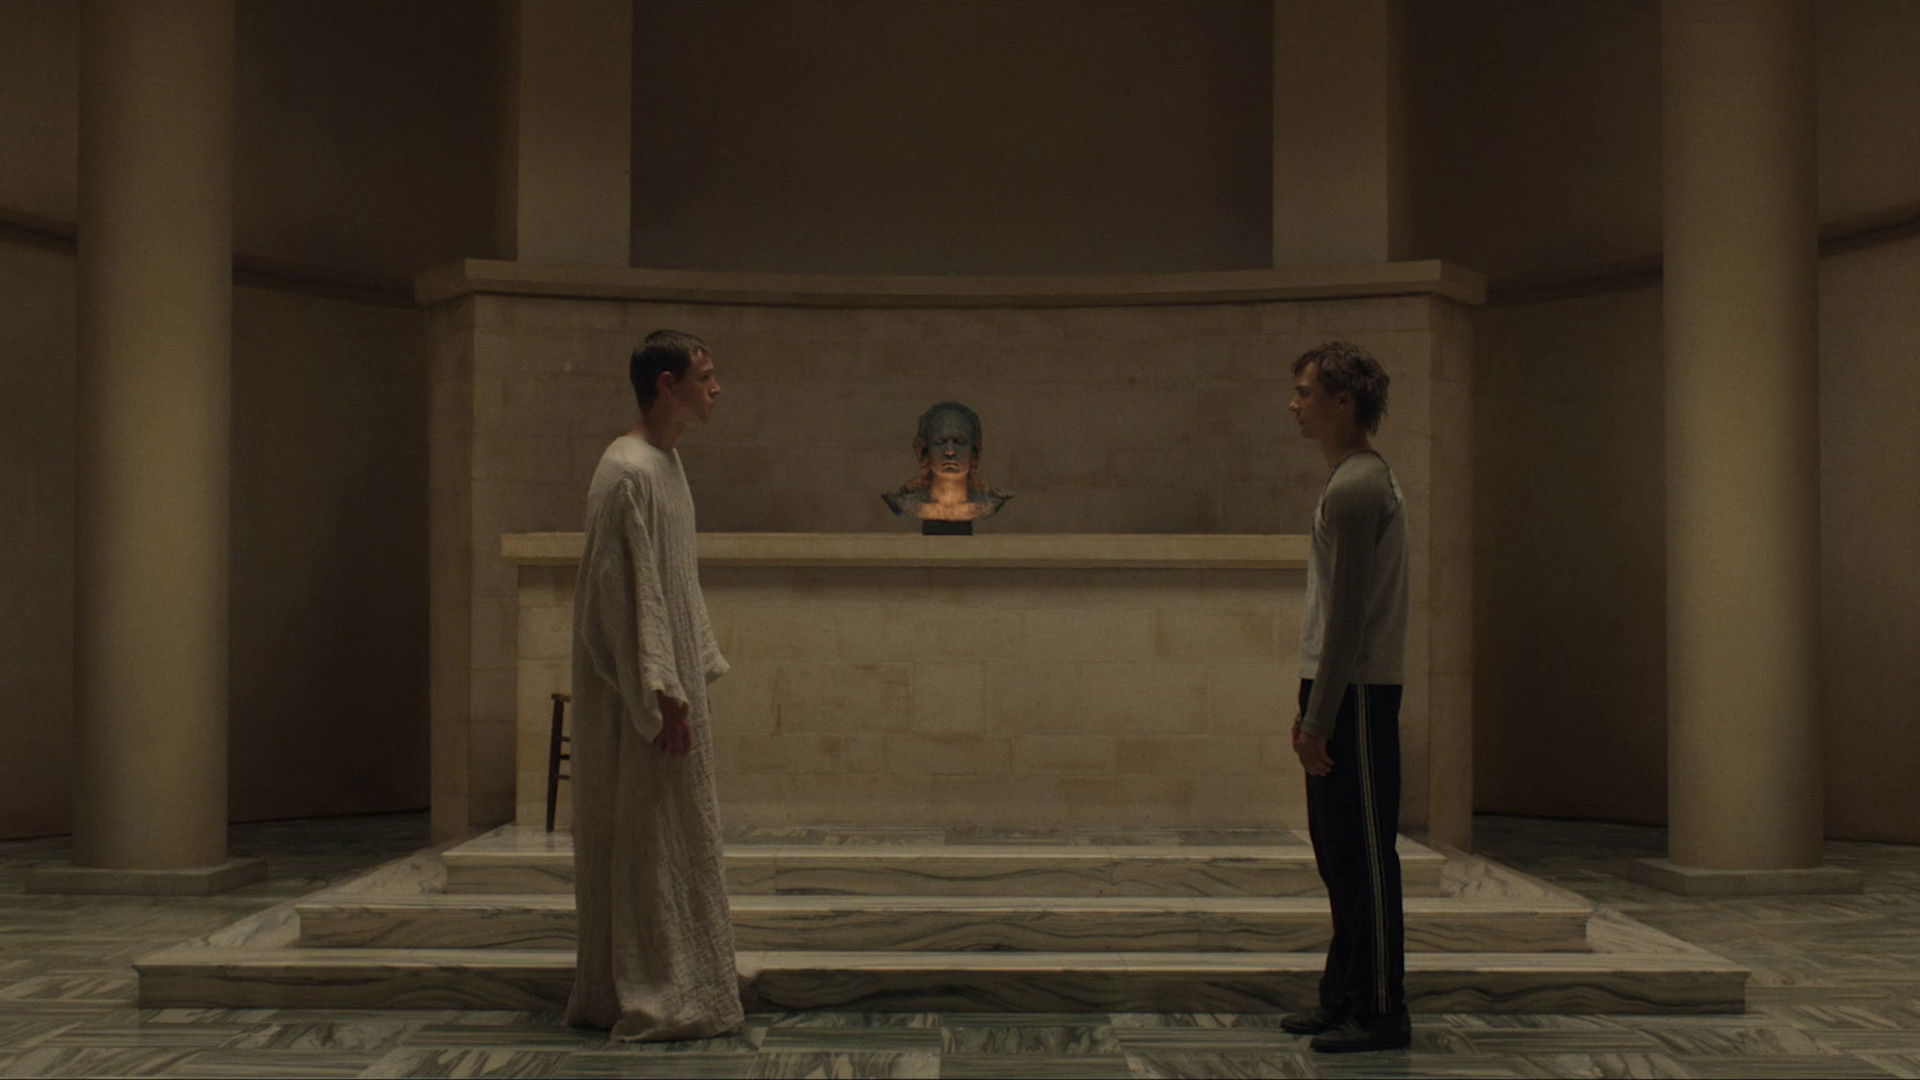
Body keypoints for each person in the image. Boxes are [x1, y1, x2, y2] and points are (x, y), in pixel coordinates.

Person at [564, 329, 742, 1041]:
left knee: (674, 836)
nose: (716, 387)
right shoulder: (626, 471)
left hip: (671, 687)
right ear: (667, 385)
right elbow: (617, 598)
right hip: (641, 697)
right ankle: (646, 987)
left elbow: (675, 582)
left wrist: (690, 672)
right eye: (705, 375)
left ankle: (683, 975)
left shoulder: (667, 463)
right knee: (642, 837)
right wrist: (661, 694)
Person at [1280, 341, 1413, 1053]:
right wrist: (1310, 704)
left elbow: (1351, 618)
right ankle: (1344, 996)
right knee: (1339, 856)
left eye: (1305, 392)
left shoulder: (1359, 486)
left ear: (1343, 400)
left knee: (1363, 855)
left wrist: (1318, 715)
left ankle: (1383, 1009)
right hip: (1340, 688)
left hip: (1357, 692)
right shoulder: (1347, 481)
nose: (1295, 405)